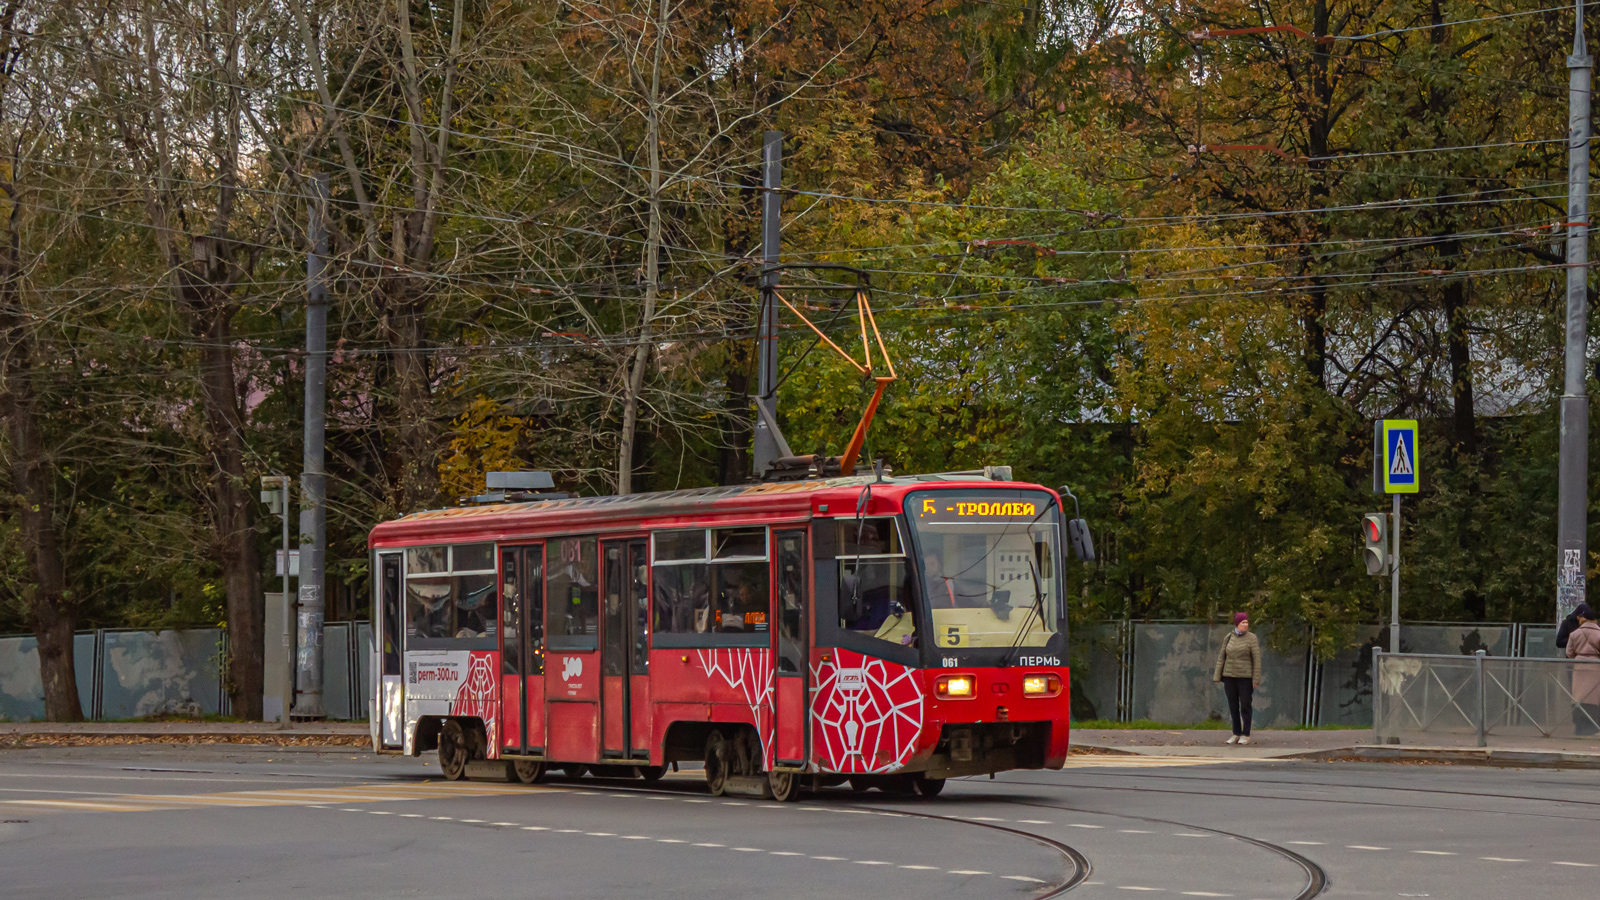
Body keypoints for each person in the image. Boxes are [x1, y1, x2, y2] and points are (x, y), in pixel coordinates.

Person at [1213, 612, 1262, 746]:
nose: (1246, 625)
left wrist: (1255, 679)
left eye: (1247, 622)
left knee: (1245, 704)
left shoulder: (1251, 638)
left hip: (1245, 678)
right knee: (1233, 705)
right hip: (1229, 677)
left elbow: (1256, 660)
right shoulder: (1228, 637)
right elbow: (1221, 657)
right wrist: (1217, 676)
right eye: (1243, 622)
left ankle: (1245, 734)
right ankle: (1236, 733)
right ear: (1237, 624)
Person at [1565, 602, 1600, 736]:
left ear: (1582, 617)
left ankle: (1580, 727)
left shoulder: (1575, 634)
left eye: (1578, 617)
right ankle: (1594, 726)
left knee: (1579, 697)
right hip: (1596, 667)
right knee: (1595, 697)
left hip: (1579, 667)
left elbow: (1569, 653)